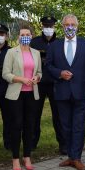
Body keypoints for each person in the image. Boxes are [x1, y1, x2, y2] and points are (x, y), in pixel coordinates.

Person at [46, 14, 85, 170]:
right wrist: (60, 73)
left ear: (77, 26)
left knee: (78, 125)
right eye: (67, 24)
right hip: (62, 92)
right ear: (62, 27)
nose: (70, 27)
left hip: (81, 92)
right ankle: (70, 155)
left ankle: (76, 157)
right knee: (65, 126)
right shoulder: (54, 45)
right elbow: (48, 65)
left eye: (72, 24)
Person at [2, 25, 42, 170]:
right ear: (18, 37)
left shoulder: (36, 53)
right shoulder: (11, 52)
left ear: (31, 36)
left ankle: (27, 156)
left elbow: (39, 72)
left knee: (29, 126)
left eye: (27, 34)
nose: (25, 36)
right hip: (15, 95)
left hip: (32, 93)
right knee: (16, 125)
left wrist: (36, 77)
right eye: (22, 34)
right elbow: (5, 74)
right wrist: (21, 79)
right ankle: (15, 159)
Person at [30, 16, 65, 154]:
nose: (48, 29)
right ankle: (32, 144)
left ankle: (63, 144)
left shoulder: (60, 43)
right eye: (46, 26)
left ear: (55, 27)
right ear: (42, 27)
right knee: (34, 114)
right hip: (38, 83)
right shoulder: (35, 42)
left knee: (58, 115)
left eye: (50, 26)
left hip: (55, 83)